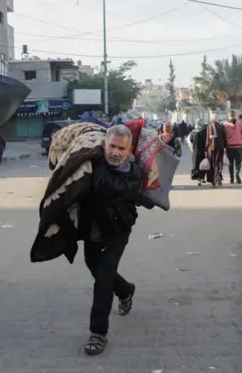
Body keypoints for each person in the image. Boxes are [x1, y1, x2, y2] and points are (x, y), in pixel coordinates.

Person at [79, 125, 141, 356]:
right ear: (105, 144)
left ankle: (98, 332)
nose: (115, 153)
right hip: (93, 229)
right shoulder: (94, 161)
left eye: (121, 149)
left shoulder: (132, 172)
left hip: (117, 230)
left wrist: (96, 164)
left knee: (103, 278)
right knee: (93, 266)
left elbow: (104, 188)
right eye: (112, 146)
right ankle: (125, 290)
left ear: (129, 149)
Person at [205, 116, 227, 187]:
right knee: (218, 163)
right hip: (220, 148)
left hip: (212, 149)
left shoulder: (210, 127)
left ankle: (213, 180)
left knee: (212, 164)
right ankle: (219, 176)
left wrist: (206, 148)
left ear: (211, 120)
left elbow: (208, 139)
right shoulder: (222, 127)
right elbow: (225, 138)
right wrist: (225, 147)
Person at [223, 111, 242, 184]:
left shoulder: (225, 125)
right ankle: (237, 174)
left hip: (229, 146)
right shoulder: (239, 123)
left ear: (229, 116)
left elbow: (224, 136)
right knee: (238, 162)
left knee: (230, 163)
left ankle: (231, 178)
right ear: (234, 115)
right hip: (238, 146)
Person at [189, 119, 208, 185]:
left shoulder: (193, 132)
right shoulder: (205, 131)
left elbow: (191, 141)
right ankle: (202, 178)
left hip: (195, 152)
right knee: (203, 165)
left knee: (196, 165)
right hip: (203, 151)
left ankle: (198, 180)